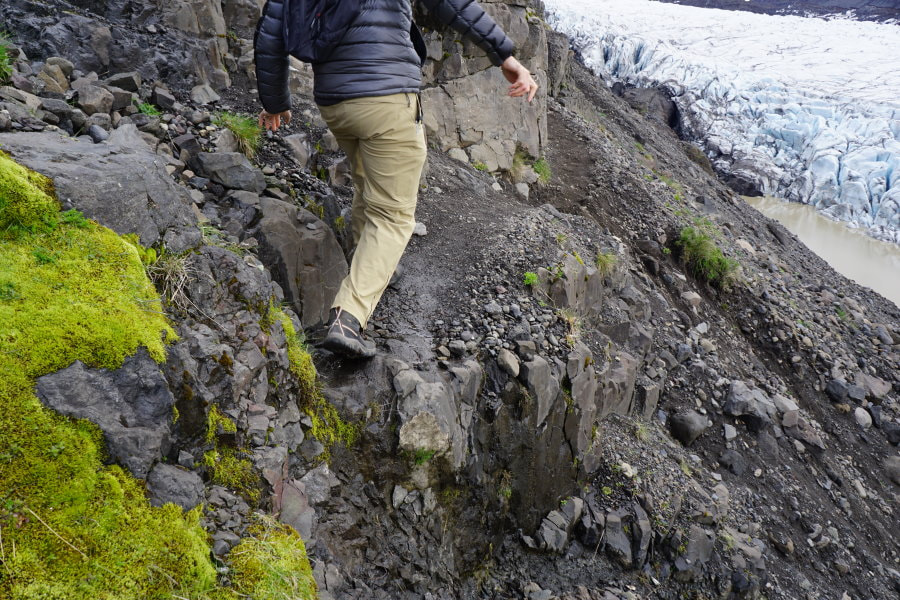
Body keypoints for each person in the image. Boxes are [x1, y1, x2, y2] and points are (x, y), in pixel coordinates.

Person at [254, 0, 538, 358]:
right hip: (388, 98)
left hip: (335, 102)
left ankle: (372, 262)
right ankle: (348, 318)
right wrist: (507, 58)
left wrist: (275, 101)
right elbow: (455, 5)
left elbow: (270, 32)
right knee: (394, 217)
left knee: (366, 180)